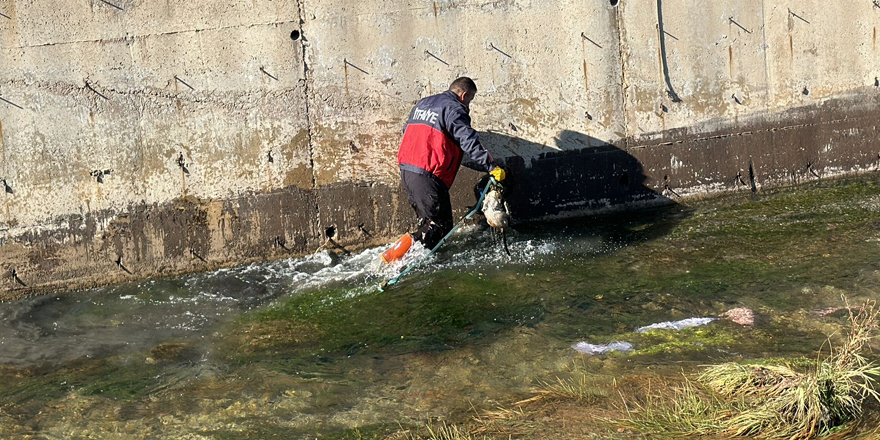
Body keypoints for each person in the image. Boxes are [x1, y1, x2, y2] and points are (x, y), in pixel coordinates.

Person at [382, 77, 506, 263]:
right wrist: (491, 166)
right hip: (428, 174)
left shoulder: (423, 103)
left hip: (408, 171)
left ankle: (411, 259)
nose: (469, 105)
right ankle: (393, 259)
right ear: (464, 95)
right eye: (470, 100)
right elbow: (468, 141)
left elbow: (406, 130)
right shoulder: (454, 109)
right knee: (439, 227)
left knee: (427, 225)